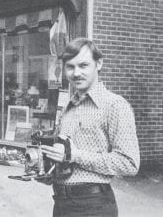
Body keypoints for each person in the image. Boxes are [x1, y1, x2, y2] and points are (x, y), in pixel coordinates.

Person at [41, 38, 140, 217]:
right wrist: (44, 170)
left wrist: (74, 155)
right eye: (70, 67)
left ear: (99, 64)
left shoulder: (115, 105)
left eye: (83, 65)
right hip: (61, 204)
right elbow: (64, 159)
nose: (76, 73)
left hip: (93, 206)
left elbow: (129, 163)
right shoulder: (68, 107)